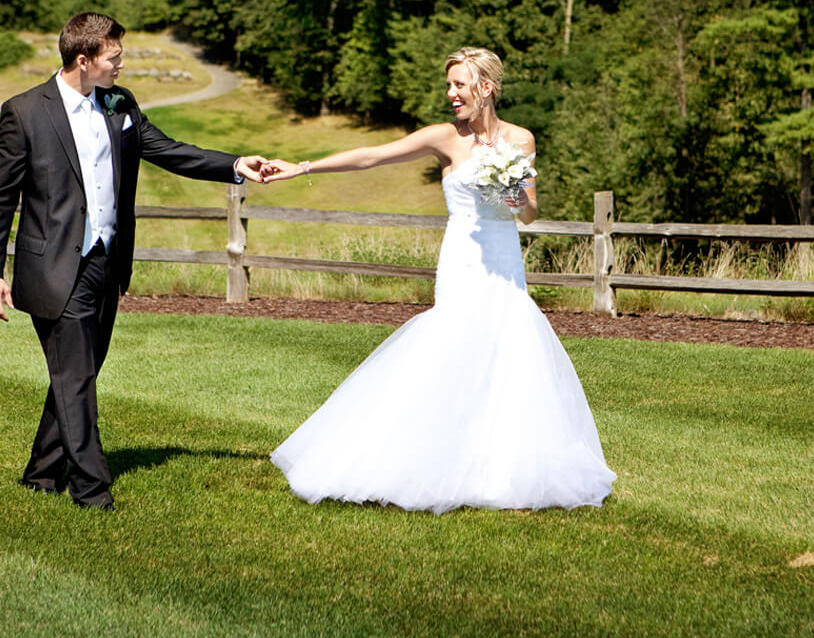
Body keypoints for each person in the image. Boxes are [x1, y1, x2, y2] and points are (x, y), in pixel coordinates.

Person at [262, 47, 616, 513]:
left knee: (509, 352)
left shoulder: (521, 139)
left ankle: (499, 471)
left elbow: (529, 214)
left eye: (458, 85)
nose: (451, 94)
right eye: (448, 85)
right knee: (452, 344)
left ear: (485, 88)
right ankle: (422, 462)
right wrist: (302, 167)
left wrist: (510, 188)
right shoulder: (445, 138)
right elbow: (373, 156)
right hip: (461, 259)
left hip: (504, 260)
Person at [0, 12, 267, 512]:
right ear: (84, 60)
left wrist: (235, 165)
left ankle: (41, 474)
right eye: (114, 57)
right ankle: (93, 492)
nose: (121, 65)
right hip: (52, 269)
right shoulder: (23, 112)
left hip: (106, 266)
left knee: (79, 372)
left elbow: (169, 150)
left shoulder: (119, 103)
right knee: (78, 379)